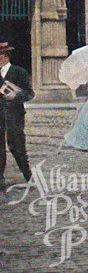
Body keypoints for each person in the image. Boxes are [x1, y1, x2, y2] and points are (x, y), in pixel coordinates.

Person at [0, 42, 34, 187]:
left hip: (15, 114)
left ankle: (28, 176)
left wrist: (16, 96)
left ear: (6, 56)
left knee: (17, 145)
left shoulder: (19, 72)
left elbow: (29, 93)